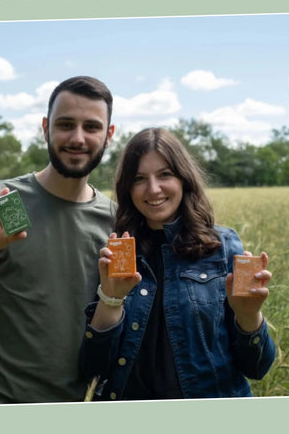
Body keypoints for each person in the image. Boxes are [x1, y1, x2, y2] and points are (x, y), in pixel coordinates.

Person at [0, 76, 116, 404]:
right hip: (2, 406)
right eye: (65, 124)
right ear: (45, 128)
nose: (77, 138)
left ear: (108, 135)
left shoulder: (115, 220)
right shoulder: (2, 201)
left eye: (91, 127)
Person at [80, 127, 275, 401]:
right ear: (127, 187)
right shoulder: (117, 252)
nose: (153, 189)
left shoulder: (223, 247)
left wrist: (248, 317)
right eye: (139, 178)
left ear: (184, 179)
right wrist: (111, 299)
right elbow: (93, 370)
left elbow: (257, 367)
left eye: (165, 175)